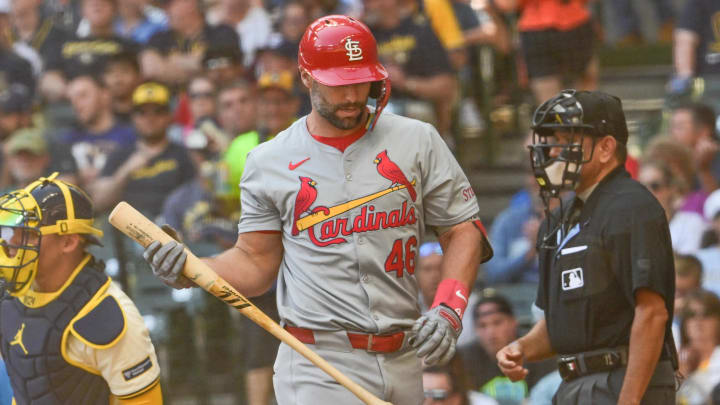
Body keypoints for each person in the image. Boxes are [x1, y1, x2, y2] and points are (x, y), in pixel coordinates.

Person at [143, 15, 493, 405]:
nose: (351, 96)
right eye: (338, 84)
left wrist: (448, 308)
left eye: (361, 80)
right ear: (306, 78)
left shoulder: (417, 139)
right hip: (320, 362)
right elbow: (256, 263)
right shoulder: (270, 160)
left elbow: (463, 229)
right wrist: (191, 266)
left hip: (406, 356)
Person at [497, 90, 678, 404]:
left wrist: (629, 399)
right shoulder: (557, 219)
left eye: (566, 140)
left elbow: (652, 312)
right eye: (551, 143)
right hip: (574, 384)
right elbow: (562, 325)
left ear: (606, 148)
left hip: (624, 380)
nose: (553, 153)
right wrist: (523, 348)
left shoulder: (632, 206)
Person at [0, 174, 162, 403]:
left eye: (27, 233)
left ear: (68, 242)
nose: (11, 243)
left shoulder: (108, 315)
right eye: (11, 232)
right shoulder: (12, 292)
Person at [90, 81, 196, 217]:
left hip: (171, 227)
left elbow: (194, 200)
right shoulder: (120, 155)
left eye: (158, 111)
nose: (150, 118)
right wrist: (126, 171)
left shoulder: (182, 154)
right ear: (133, 117)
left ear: (169, 116)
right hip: (128, 229)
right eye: (142, 112)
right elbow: (98, 203)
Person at [458, 292, 555, 404]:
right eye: (482, 325)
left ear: (513, 322)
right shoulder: (465, 359)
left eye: (497, 323)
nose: (490, 333)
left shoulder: (536, 351)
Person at [422, 356, 499, 405]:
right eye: (423, 395)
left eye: (437, 396)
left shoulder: (482, 403)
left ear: (456, 398)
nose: (428, 403)